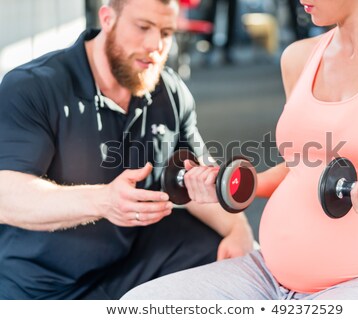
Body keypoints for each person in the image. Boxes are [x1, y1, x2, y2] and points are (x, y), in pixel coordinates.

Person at [122, 0, 358, 299]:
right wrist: (229, 184)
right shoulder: (299, 58)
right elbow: (300, 168)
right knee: (142, 304)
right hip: (268, 276)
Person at [0, 0, 254, 299]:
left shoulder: (168, 90)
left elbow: (195, 176)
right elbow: (7, 196)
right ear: (107, 18)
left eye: (166, 31)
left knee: (228, 255)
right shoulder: (33, 87)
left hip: (131, 259)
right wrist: (104, 200)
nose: (155, 45)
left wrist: (239, 230)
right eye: (143, 27)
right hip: (42, 285)